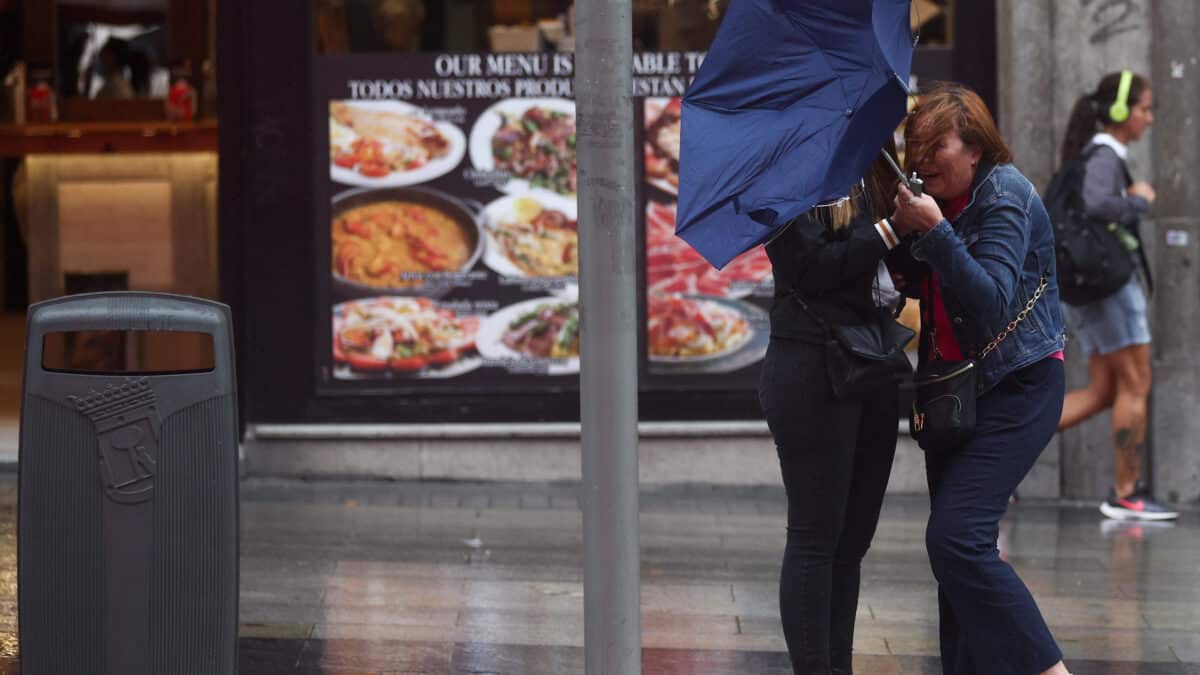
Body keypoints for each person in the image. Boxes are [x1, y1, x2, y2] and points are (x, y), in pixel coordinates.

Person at [888, 82, 1073, 675]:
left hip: (1019, 385)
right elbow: (914, 285)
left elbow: (992, 302)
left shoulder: (1006, 196)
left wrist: (935, 231)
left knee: (956, 538)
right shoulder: (939, 198)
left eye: (935, 145)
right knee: (955, 563)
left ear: (974, 148)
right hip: (954, 392)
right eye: (915, 145)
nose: (922, 159)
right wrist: (902, 230)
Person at [758, 148, 904, 675]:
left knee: (852, 543)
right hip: (812, 368)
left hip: (873, 364)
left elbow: (894, 263)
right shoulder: (778, 171)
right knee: (817, 538)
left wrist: (911, 223)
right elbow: (810, 266)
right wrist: (889, 231)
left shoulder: (869, 163)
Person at [1055, 71, 1176, 521]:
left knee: (1106, 390)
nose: (1148, 119)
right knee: (1135, 384)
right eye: (1144, 109)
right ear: (1122, 112)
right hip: (1110, 290)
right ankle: (1127, 493)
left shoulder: (1094, 154)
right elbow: (1096, 204)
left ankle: (1001, 443)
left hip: (1090, 291)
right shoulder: (1106, 156)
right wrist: (1138, 200)